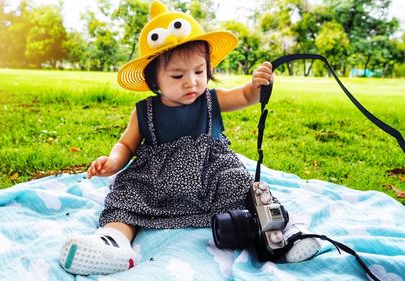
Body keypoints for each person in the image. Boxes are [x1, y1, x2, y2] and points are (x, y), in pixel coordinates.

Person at [59, 0, 320, 275]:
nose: (191, 82)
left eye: (199, 71)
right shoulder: (145, 111)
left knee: (246, 188)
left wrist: (257, 85)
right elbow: (126, 144)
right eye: (177, 75)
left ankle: (282, 234)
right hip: (156, 178)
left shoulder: (211, 100)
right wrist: (113, 162)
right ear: (154, 81)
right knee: (126, 198)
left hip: (211, 172)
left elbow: (245, 95)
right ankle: (113, 242)